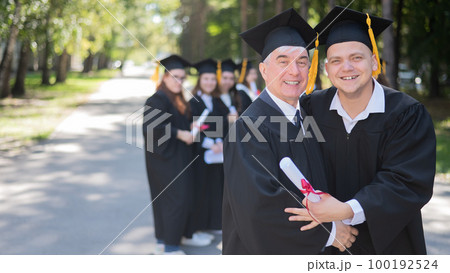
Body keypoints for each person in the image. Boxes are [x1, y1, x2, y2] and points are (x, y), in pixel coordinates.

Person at [289, 6, 436, 254]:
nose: (346, 67)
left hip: (390, 247)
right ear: (326, 69)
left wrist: (347, 210)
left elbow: (407, 181)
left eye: (356, 57)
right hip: (328, 242)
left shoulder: (407, 113)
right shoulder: (310, 108)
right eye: (336, 60)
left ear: (374, 61)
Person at [222, 8, 358, 255]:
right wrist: (329, 233)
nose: (294, 71)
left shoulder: (305, 118)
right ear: (264, 70)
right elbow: (260, 209)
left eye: (302, 62)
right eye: (283, 62)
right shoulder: (248, 127)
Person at [143, 55, 197, 255]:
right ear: (164, 77)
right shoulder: (156, 99)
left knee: (179, 198)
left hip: (177, 157)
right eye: (175, 77)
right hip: (163, 160)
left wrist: (189, 127)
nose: (179, 82)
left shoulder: (177, 99)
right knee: (174, 200)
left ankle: (164, 241)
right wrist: (180, 133)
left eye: (182, 78)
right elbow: (153, 127)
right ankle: (170, 247)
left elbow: (177, 122)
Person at [188, 58, 230, 237]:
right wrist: (210, 143)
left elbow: (225, 125)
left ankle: (215, 222)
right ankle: (200, 225)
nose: (210, 83)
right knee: (202, 187)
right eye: (206, 79)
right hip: (200, 153)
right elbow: (192, 128)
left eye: (213, 79)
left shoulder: (218, 101)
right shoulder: (192, 101)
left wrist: (221, 141)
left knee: (217, 187)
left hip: (218, 153)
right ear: (200, 80)